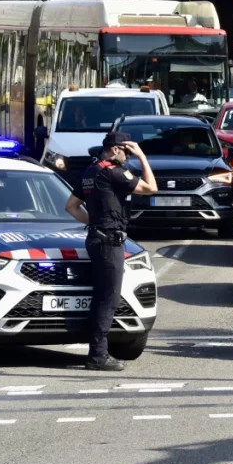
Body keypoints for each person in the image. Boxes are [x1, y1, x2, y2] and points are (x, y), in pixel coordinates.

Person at [65, 132, 158, 371]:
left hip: (96, 239)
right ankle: (98, 355)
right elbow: (151, 188)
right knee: (109, 299)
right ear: (116, 149)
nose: (128, 157)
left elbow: (71, 206)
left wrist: (93, 223)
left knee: (101, 297)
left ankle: (97, 351)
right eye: (127, 152)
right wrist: (143, 157)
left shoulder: (91, 171)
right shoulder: (114, 172)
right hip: (109, 243)